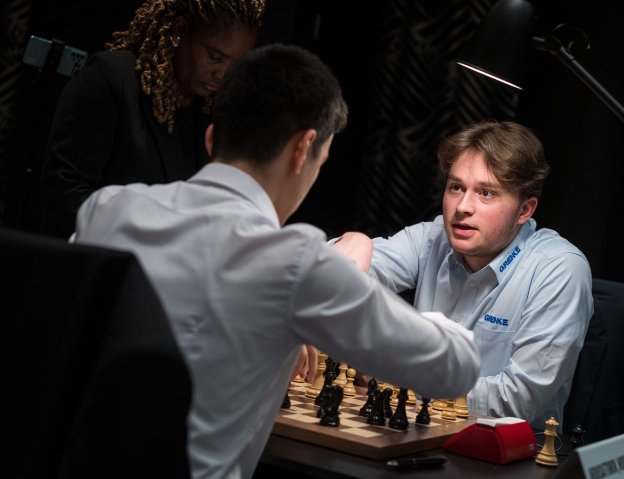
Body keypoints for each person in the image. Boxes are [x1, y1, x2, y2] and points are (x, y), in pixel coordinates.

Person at [71, 43, 481, 479]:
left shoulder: (108, 209)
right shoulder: (295, 262)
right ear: (303, 150)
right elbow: (454, 368)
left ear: (212, 139)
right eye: (322, 160)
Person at [332, 120, 594, 431]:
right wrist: (354, 242)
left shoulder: (559, 269)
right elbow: (325, 274)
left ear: (525, 210)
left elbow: (519, 400)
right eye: (456, 187)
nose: (463, 207)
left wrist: (402, 378)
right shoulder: (431, 238)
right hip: (412, 435)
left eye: (486, 193)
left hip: (502, 451)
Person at [38, 0, 266, 238]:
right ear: (179, 31)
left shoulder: (214, 110)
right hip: (96, 254)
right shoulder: (112, 79)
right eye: (215, 56)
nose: (222, 74)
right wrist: (143, 244)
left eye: (235, 64)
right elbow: (64, 190)